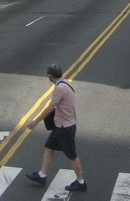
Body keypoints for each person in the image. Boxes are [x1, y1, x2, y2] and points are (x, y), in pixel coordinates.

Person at [26, 64, 86, 192]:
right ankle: (42, 175)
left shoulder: (59, 88)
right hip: (61, 126)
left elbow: (49, 108)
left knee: (72, 156)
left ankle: (81, 182)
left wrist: (35, 122)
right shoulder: (66, 83)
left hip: (65, 128)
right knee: (49, 148)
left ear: (50, 75)